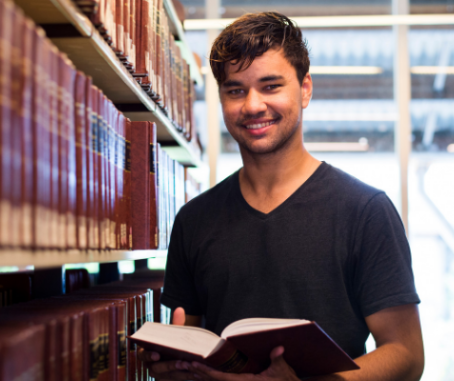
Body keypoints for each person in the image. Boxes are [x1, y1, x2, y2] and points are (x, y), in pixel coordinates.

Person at [139, 11, 424, 381]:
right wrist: (174, 367)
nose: (253, 105)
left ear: (305, 89)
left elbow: (406, 355)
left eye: (271, 86)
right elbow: (188, 342)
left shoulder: (365, 211)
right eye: (235, 90)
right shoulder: (194, 219)